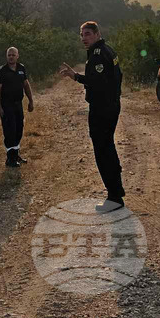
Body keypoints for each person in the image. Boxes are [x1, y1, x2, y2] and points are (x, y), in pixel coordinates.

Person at [58, 21, 125, 212]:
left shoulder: (98, 54)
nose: (83, 38)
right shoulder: (107, 50)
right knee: (108, 148)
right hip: (110, 105)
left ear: (96, 34)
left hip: (102, 108)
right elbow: (112, 78)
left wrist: (78, 78)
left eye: (87, 34)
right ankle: (116, 191)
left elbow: (97, 84)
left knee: (103, 150)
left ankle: (114, 197)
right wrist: (76, 76)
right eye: (81, 35)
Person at [0, 46, 34, 167]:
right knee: (9, 130)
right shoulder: (1, 71)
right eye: (9, 55)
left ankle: (15, 155)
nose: (11, 57)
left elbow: (26, 85)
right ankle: (10, 159)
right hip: (7, 105)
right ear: (6, 57)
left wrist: (31, 101)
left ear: (17, 56)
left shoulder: (21, 68)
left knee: (19, 129)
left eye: (13, 55)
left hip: (18, 104)